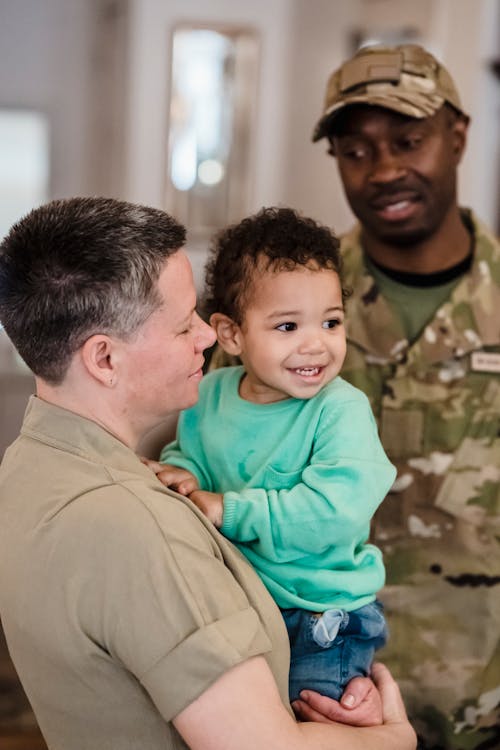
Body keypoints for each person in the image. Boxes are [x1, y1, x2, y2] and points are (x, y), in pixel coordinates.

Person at [0, 197, 416, 750]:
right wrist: (393, 739)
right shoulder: (143, 526)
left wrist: (197, 487)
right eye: (182, 326)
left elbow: (336, 506)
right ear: (104, 359)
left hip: (325, 612)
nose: (205, 336)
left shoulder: (27, 466)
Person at [311, 43, 500, 749]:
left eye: (408, 140)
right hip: (323, 704)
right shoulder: (283, 310)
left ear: (458, 135)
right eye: (354, 150)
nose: (384, 169)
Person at [149, 206, 396, 705]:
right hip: (242, 604)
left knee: (306, 723)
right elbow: (195, 460)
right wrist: (183, 473)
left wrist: (229, 509)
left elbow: (333, 512)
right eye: (287, 327)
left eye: (330, 322)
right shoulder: (210, 396)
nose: (316, 344)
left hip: (322, 617)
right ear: (231, 334)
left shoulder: (341, 411)